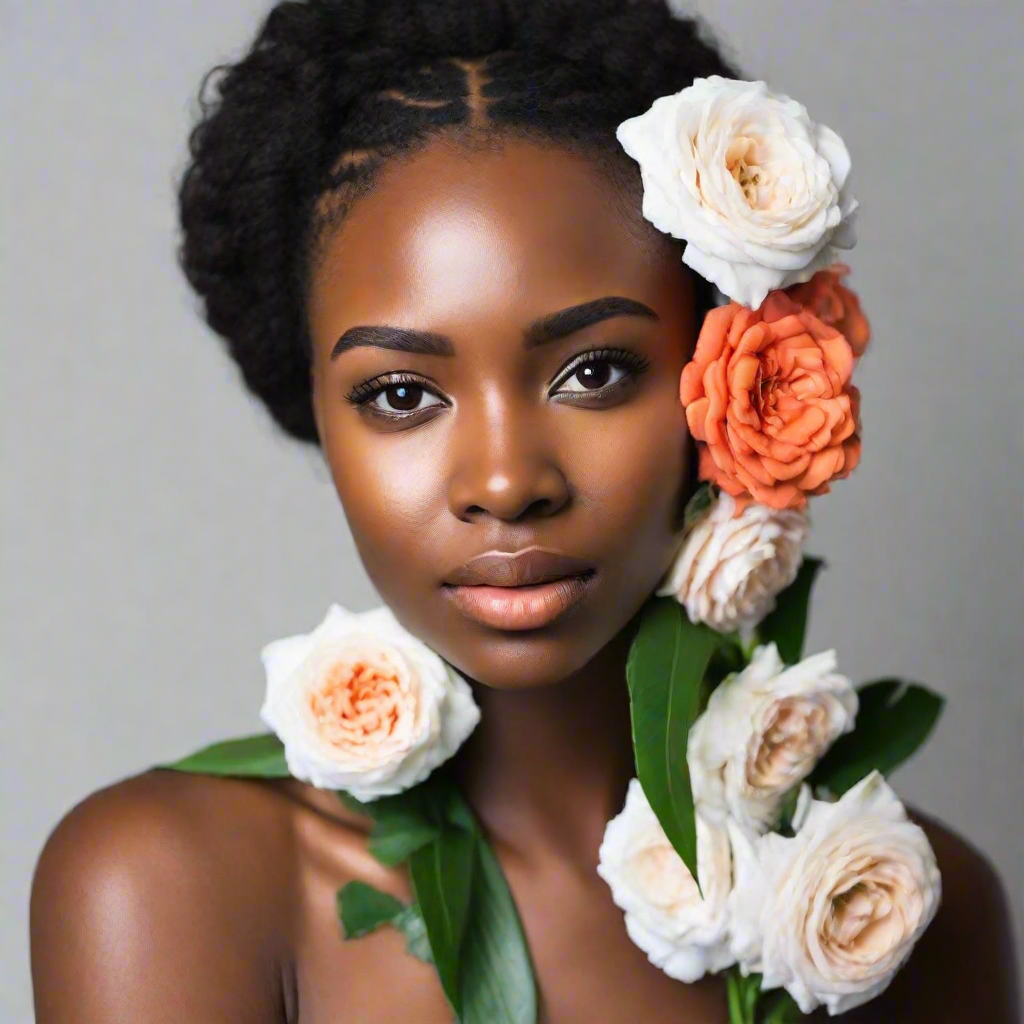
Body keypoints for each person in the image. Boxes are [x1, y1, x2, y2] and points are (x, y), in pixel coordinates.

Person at [28, 2, 1018, 1021]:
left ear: (730, 366)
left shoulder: (895, 911)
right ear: (318, 413)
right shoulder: (169, 889)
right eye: (401, 394)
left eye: (594, 372)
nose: (505, 482)